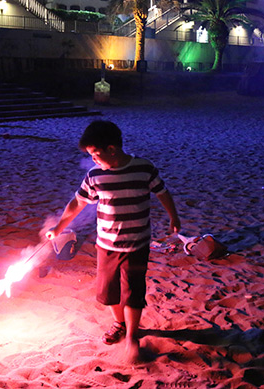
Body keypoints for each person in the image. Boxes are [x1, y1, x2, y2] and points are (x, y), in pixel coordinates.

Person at [46, 120, 181, 362]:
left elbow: (162, 191)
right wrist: (58, 227)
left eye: (96, 155)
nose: (93, 160)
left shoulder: (143, 168)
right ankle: (119, 323)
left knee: (133, 290)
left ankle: (131, 334)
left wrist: (174, 216)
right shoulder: (95, 175)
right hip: (107, 245)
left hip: (138, 243)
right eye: (90, 156)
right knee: (108, 291)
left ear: (112, 148)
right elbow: (77, 203)